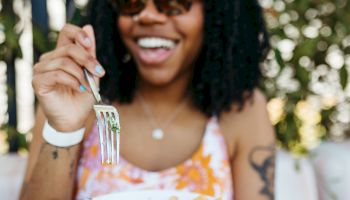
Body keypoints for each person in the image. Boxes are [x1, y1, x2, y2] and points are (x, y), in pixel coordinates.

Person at [20, 0, 275, 199]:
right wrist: (64, 129)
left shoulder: (242, 111)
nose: (148, 15)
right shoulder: (77, 96)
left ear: (216, 12)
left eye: (174, 3)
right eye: (132, 3)